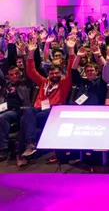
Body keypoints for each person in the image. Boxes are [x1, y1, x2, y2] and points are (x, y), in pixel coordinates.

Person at [19, 37, 76, 166]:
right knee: (28, 111)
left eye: (57, 73)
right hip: (38, 109)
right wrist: (31, 53)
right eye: (52, 73)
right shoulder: (44, 81)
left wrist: (71, 50)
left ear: (61, 73)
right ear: (48, 74)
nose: (54, 75)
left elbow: (70, 68)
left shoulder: (64, 83)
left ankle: (25, 148)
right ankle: (30, 145)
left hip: (53, 110)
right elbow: (31, 71)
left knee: (24, 120)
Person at [0, 66, 32, 161]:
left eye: (16, 73)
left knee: (2, 117)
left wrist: (25, 54)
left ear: (20, 73)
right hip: (5, 109)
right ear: (8, 76)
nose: (14, 76)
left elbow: (30, 69)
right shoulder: (6, 86)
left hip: (20, 111)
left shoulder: (25, 83)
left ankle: (3, 148)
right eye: (11, 74)